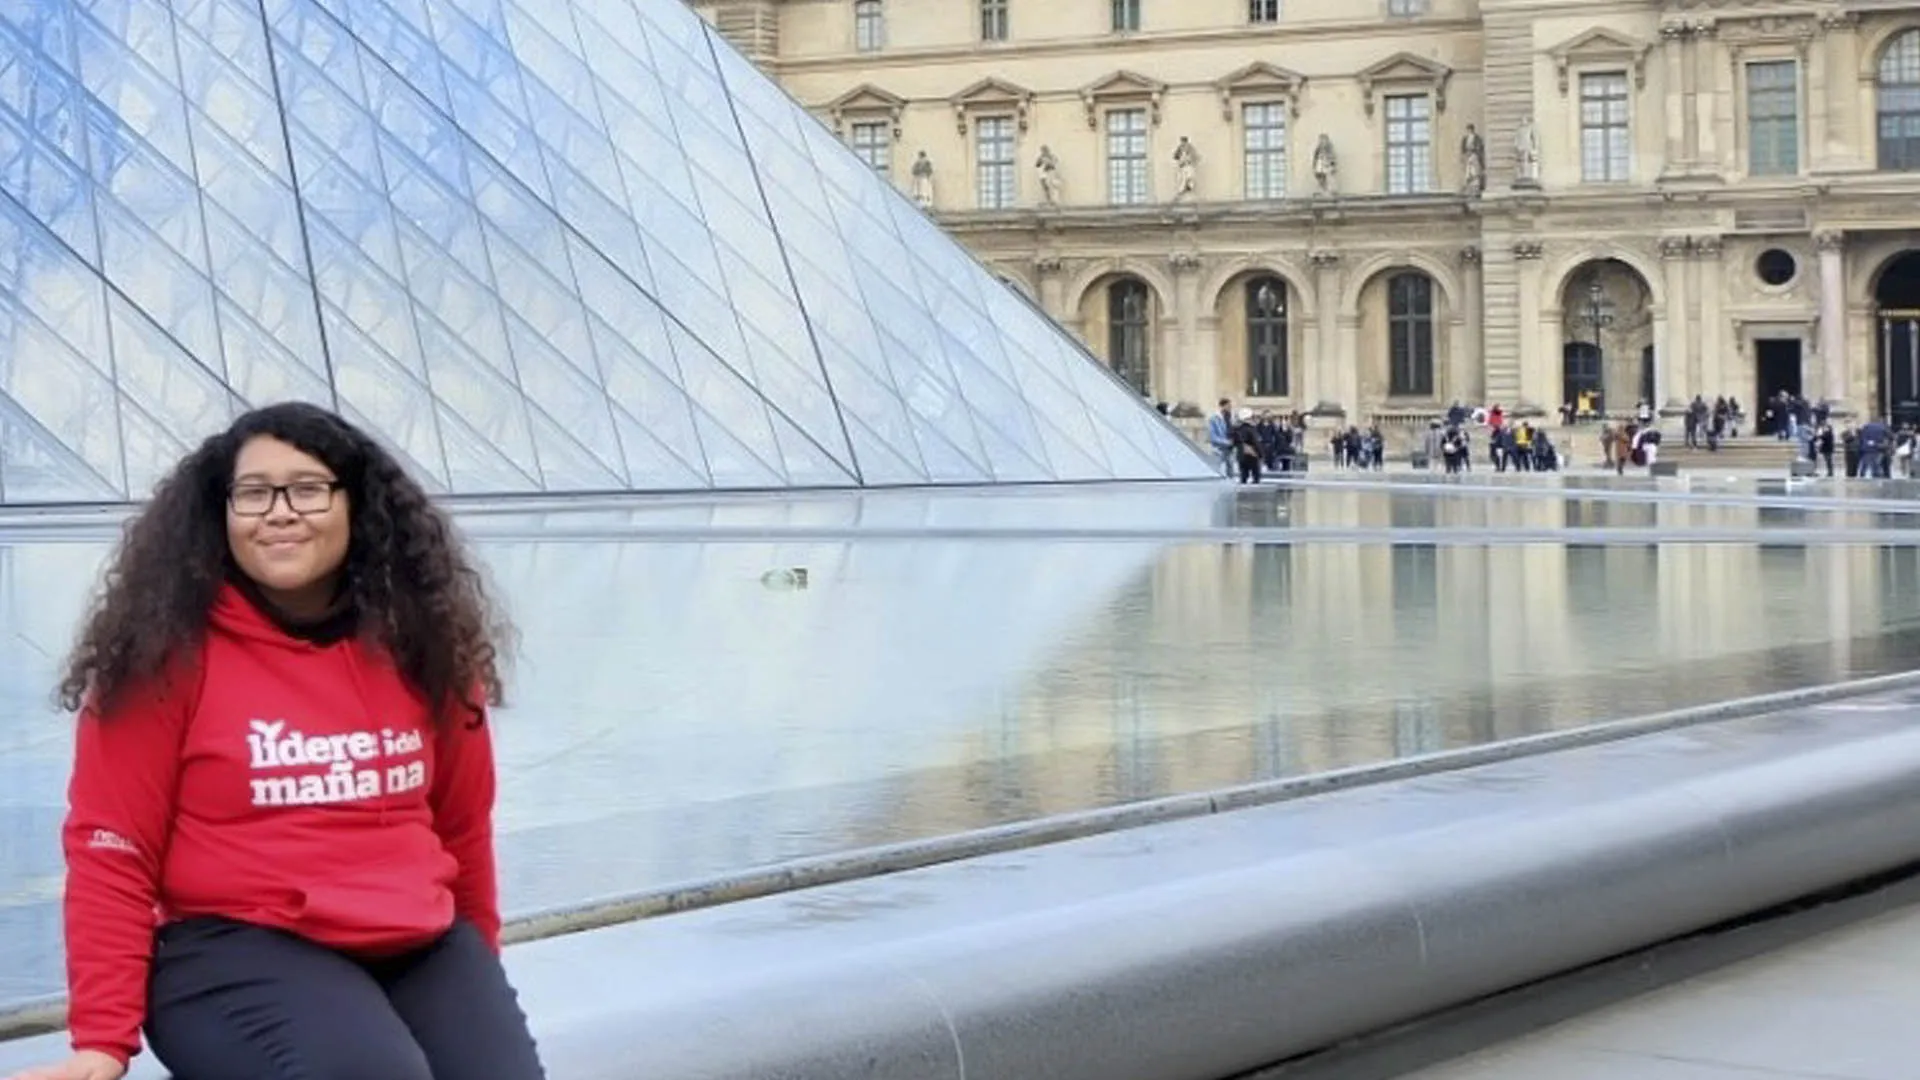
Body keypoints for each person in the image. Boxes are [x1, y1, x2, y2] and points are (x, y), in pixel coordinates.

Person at [5, 403, 544, 1080]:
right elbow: (112, 849)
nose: (279, 511)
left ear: (358, 506)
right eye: (254, 492)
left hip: (413, 938)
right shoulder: (161, 659)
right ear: (221, 512)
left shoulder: (425, 645)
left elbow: (462, 827)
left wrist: (476, 980)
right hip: (227, 947)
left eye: (308, 488)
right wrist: (102, 1040)